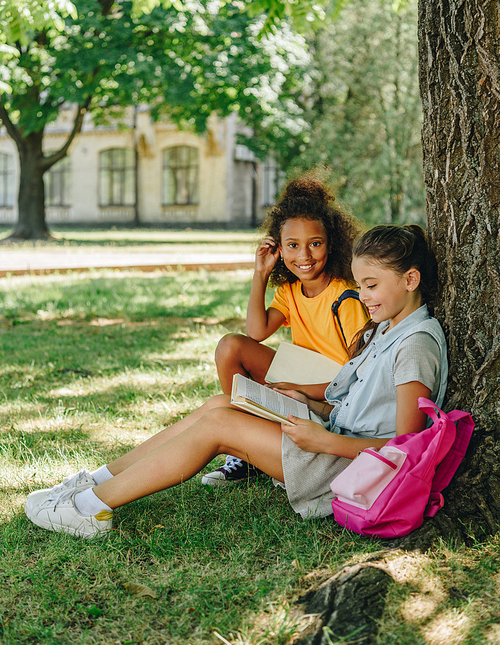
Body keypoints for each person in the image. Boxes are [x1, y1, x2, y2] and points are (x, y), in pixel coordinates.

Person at [24, 223, 448, 538]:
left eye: (371, 285)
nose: (363, 295)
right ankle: (95, 479)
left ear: (410, 280)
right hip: (331, 437)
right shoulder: (391, 328)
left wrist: (325, 441)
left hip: (347, 468)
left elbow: (407, 451)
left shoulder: (415, 346)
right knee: (219, 405)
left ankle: (88, 508)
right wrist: (306, 401)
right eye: (360, 285)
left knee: (219, 425)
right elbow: (361, 405)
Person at [204, 171, 367, 485]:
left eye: (315, 244)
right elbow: (256, 332)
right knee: (230, 346)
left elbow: (357, 377)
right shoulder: (290, 291)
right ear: (279, 248)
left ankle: (255, 441)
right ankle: (242, 450)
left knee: (238, 350)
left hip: (333, 395)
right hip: (299, 381)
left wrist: (301, 391)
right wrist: (260, 274)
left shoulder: (345, 296)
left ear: (331, 245)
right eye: (292, 245)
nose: (304, 256)